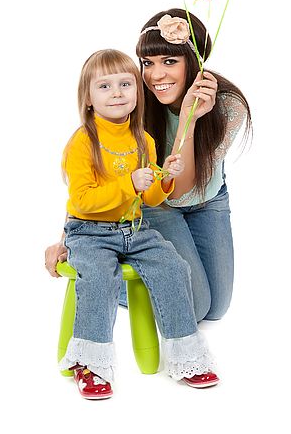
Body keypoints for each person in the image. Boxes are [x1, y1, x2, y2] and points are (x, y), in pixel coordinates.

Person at [46, 9, 251, 322]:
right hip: (158, 205)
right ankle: (99, 283)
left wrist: (190, 119)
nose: (156, 75)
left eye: (170, 62)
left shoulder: (227, 107)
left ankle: (134, 277)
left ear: (192, 61)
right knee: (195, 309)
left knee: (217, 308)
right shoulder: (134, 99)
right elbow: (93, 167)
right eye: (147, 62)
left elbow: (187, 190)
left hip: (208, 202)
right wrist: (68, 240)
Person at [56, 49, 219, 400]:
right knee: (100, 276)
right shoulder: (83, 142)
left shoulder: (143, 140)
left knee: (174, 267)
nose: (116, 92)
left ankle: (187, 357)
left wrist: (164, 180)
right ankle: (90, 364)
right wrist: (131, 182)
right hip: (89, 232)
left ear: (136, 93)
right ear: (88, 98)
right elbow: (82, 200)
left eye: (125, 84)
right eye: (105, 86)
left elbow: (150, 200)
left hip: (134, 229)